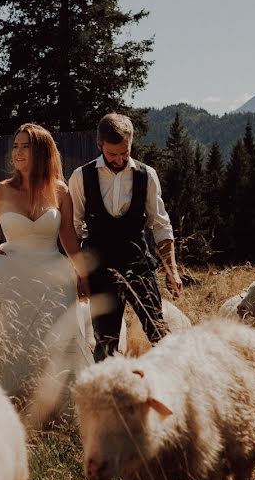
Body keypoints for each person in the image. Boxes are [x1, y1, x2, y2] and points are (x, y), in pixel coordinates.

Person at [0, 123, 94, 429]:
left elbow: (67, 234)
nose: (17, 152)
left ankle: (51, 405)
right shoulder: (0, 190)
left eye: (25, 146)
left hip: (52, 275)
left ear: (41, 150)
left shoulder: (60, 190)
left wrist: (81, 273)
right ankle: (2, 402)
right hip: (9, 272)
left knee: (52, 337)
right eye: (15, 146)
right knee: (8, 336)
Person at [69, 112, 183, 362]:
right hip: (99, 269)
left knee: (158, 332)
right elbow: (73, 228)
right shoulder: (81, 177)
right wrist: (79, 274)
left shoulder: (146, 175)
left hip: (138, 264)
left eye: (125, 152)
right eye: (112, 154)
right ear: (100, 146)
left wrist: (171, 270)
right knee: (106, 343)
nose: (120, 159)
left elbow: (161, 224)